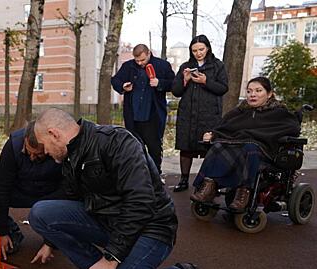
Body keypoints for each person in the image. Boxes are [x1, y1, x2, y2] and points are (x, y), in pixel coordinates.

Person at [29, 108, 211, 269]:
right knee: (40, 213)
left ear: (54, 134)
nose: (45, 152)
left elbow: (141, 202)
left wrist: (110, 258)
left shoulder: (117, 141)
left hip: (151, 228)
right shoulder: (70, 157)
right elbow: (72, 200)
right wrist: (50, 241)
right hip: (111, 223)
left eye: (44, 145)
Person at [190, 77, 301, 210]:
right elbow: (223, 127)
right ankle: (209, 185)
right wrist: (213, 134)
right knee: (218, 146)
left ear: (269, 94)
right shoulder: (239, 112)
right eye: (249, 91)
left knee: (250, 148)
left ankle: (244, 191)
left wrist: (256, 136)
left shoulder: (279, 113)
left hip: (264, 150)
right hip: (237, 147)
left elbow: (293, 128)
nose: (252, 94)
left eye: (258, 91)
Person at [0, 121, 63, 260]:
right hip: (21, 190)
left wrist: (50, 242)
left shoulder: (61, 149)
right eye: (28, 152)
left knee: (69, 199)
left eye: (37, 155)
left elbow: (68, 192)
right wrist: (1, 231)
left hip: (49, 196)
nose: (32, 157)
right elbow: (2, 187)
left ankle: (55, 236)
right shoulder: (13, 145)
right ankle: (13, 233)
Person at [172, 35, 228, 192]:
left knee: (208, 148)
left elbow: (223, 88)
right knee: (186, 148)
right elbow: (176, 91)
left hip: (209, 114)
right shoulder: (185, 66)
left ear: (208, 48)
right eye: (194, 50)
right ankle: (183, 180)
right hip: (188, 114)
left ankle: (208, 182)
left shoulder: (218, 66)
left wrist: (205, 81)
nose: (198, 53)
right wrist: (184, 80)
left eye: (201, 49)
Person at [111, 44, 175, 174]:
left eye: (143, 60)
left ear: (149, 53)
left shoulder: (163, 65)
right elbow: (115, 80)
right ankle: (138, 176)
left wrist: (160, 83)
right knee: (134, 148)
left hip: (153, 115)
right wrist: (123, 86)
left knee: (154, 147)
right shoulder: (128, 66)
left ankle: (156, 175)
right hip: (133, 115)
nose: (140, 63)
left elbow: (174, 84)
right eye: (137, 60)